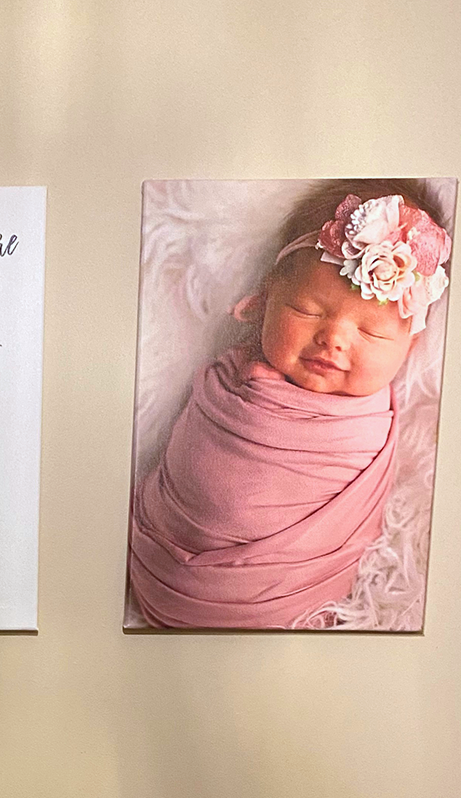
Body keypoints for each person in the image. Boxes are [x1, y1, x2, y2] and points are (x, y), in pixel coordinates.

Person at [129, 180, 452, 628]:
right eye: (307, 309)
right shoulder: (228, 381)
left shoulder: (370, 427)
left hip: (284, 601)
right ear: (265, 301)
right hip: (157, 571)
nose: (334, 339)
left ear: (411, 347)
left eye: (372, 332)